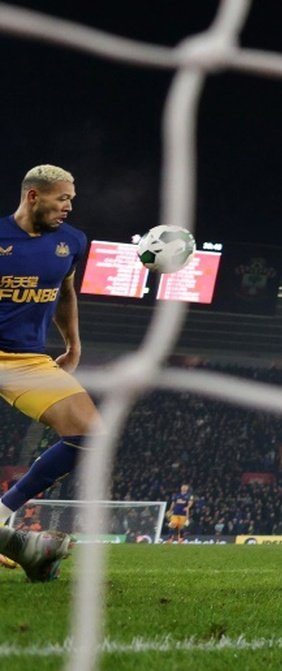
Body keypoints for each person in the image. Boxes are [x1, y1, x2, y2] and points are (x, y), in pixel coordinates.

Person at [0, 165, 102, 581]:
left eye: (71, 199)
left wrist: (73, 344)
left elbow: (65, 292)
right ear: (33, 197)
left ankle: (4, 511)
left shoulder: (72, 242)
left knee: (90, 434)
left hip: (25, 361)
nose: (69, 206)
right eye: (62, 198)